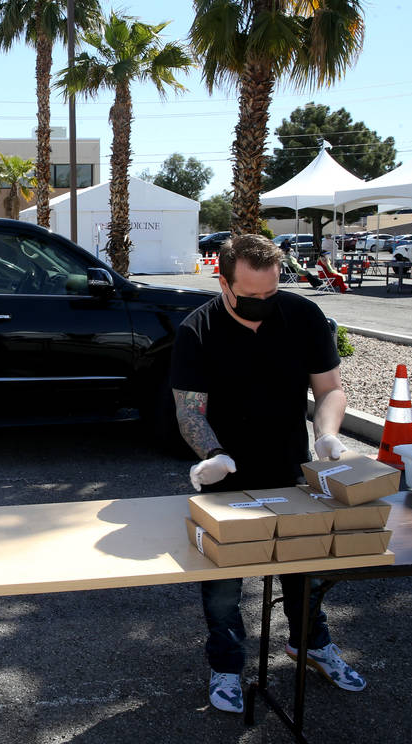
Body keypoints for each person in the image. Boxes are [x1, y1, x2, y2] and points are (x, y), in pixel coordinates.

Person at [170, 233, 364, 715]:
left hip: (290, 468)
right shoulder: (198, 330)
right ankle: (227, 666)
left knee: (306, 569)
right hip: (224, 476)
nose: (262, 303)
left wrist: (327, 435)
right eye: (250, 296)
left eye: (270, 293)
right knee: (222, 586)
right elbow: (189, 409)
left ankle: (310, 644)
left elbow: (330, 390)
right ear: (224, 282)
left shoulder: (303, 317)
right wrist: (212, 454)